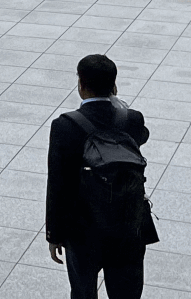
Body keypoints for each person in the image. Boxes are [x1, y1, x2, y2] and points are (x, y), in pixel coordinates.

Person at [46, 53, 157, 299]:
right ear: (114, 86)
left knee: (83, 292)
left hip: (83, 230)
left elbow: (57, 184)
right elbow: (142, 136)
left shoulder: (65, 126)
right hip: (128, 224)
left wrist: (54, 234)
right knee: (126, 293)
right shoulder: (132, 119)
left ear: (81, 86)